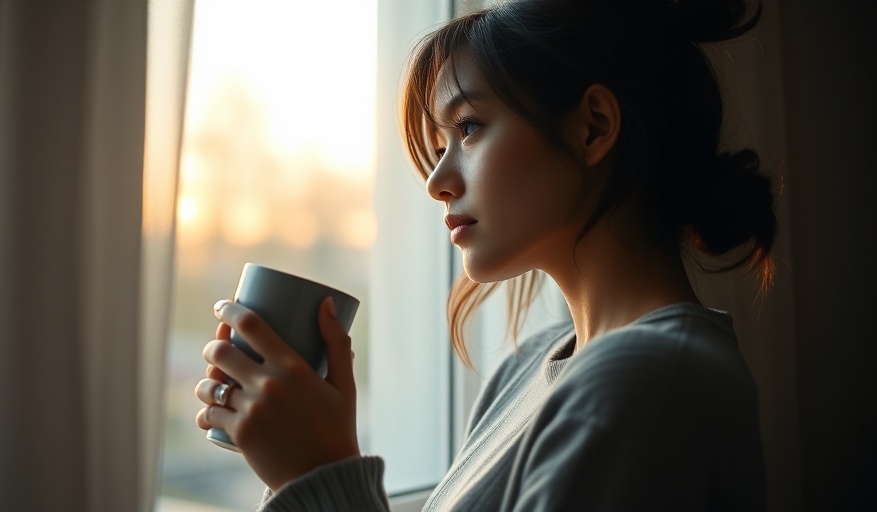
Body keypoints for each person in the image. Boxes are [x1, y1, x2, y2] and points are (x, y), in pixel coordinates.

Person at [194, 0, 776, 510]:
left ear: (594, 128)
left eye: (468, 128)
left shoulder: (645, 385)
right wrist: (307, 458)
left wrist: (318, 474)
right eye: (440, 143)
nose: (437, 181)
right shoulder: (530, 370)